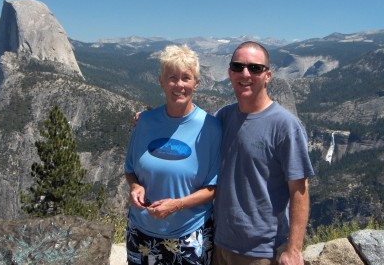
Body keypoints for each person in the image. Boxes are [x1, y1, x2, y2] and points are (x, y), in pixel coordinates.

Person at [212, 41, 314, 265]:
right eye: (238, 67)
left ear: (268, 75)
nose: (245, 73)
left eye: (255, 68)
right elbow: (188, 128)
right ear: (230, 73)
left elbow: (300, 189)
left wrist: (293, 249)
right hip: (220, 244)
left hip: (260, 253)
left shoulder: (286, 126)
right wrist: (151, 119)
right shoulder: (223, 116)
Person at [124, 44, 222, 265]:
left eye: (186, 78)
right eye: (172, 78)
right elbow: (130, 170)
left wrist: (178, 204)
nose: (179, 85)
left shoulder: (211, 128)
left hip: (189, 237)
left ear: (196, 83)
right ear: (161, 81)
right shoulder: (145, 122)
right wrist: (135, 187)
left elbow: (214, 187)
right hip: (140, 233)